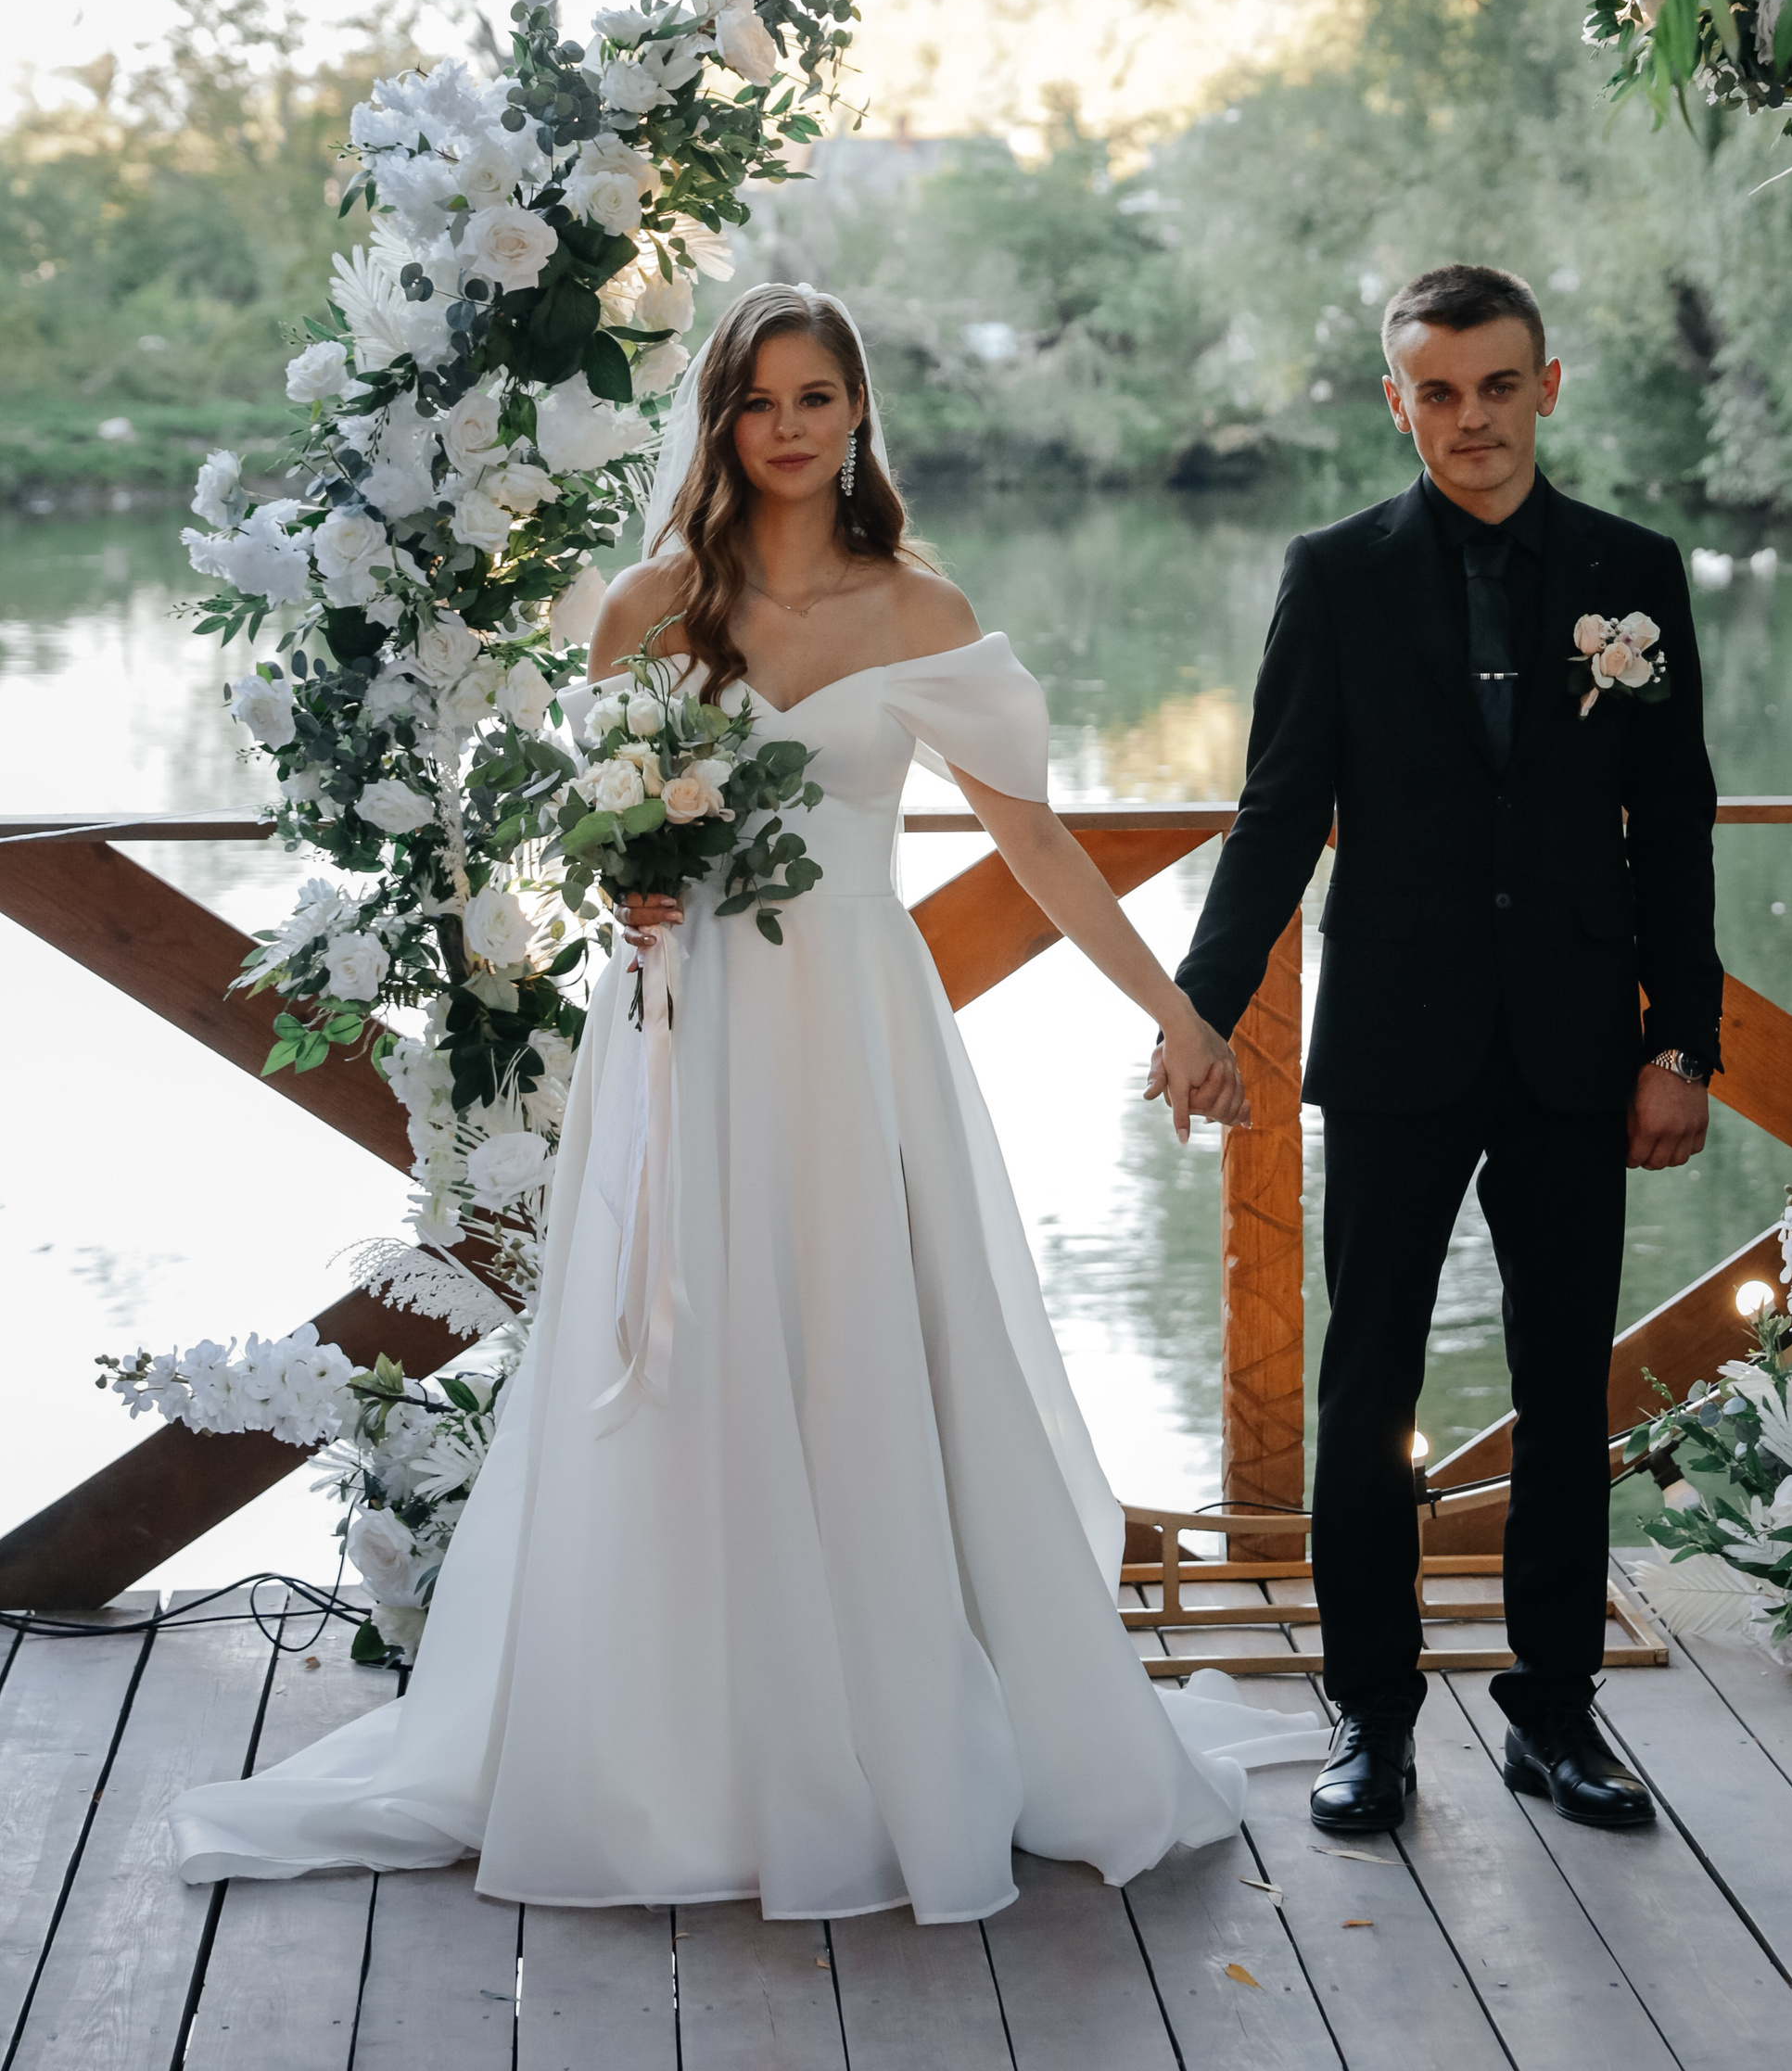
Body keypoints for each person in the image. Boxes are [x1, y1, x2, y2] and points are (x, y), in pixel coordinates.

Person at [170, 282, 1326, 1923]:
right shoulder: (649, 604)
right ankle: (682, 1747)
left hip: (854, 1027)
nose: (787, 428)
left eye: (816, 398)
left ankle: (892, 1728)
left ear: (858, 414)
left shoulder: (919, 609)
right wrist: (624, 886)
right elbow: (588, 835)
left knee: (862, 1342)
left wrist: (1179, 1010)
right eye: (757, 401)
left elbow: (1037, 841)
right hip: (687, 1025)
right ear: (719, 420)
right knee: (692, 1346)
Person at [1162, 262, 1722, 1837]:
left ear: (1548, 387)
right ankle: (1373, 1718)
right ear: (1394, 401)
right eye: (1438, 391)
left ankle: (1556, 1714)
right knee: (1365, 1391)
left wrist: (1682, 1042)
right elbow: (1278, 814)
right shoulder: (1335, 573)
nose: (1470, 418)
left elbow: (1675, 822)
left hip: (1576, 1044)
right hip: (1395, 1043)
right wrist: (1200, 1006)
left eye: (1497, 386)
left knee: (1564, 1388)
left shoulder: (1633, 571)